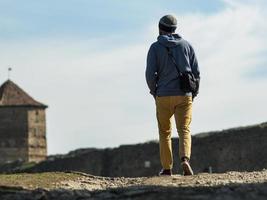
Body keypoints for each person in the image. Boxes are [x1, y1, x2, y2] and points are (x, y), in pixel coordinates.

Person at [145, 14, 200, 176]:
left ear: (160, 29)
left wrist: (154, 91)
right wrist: (194, 92)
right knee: (184, 129)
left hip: (163, 94)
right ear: (175, 29)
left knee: (164, 132)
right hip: (184, 94)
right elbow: (196, 73)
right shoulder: (187, 46)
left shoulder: (155, 48)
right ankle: (185, 160)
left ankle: (167, 168)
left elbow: (149, 74)